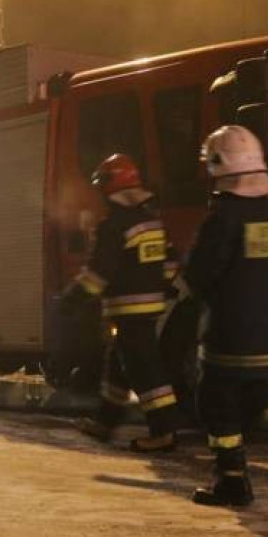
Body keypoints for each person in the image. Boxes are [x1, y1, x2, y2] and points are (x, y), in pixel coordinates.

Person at [179, 125, 268, 506]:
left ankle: (232, 482)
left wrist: (180, 287)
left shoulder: (224, 216)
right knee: (259, 400)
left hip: (230, 331)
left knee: (215, 404)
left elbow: (201, 276)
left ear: (218, 166)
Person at [65, 153, 181, 453]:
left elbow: (99, 273)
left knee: (145, 372)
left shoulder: (114, 225)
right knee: (117, 366)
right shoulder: (152, 221)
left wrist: (74, 297)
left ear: (110, 184)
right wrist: (158, 287)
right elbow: (171, 263)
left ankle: (163, 432)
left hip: (128, 309)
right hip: (151, 308)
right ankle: (105, 423)